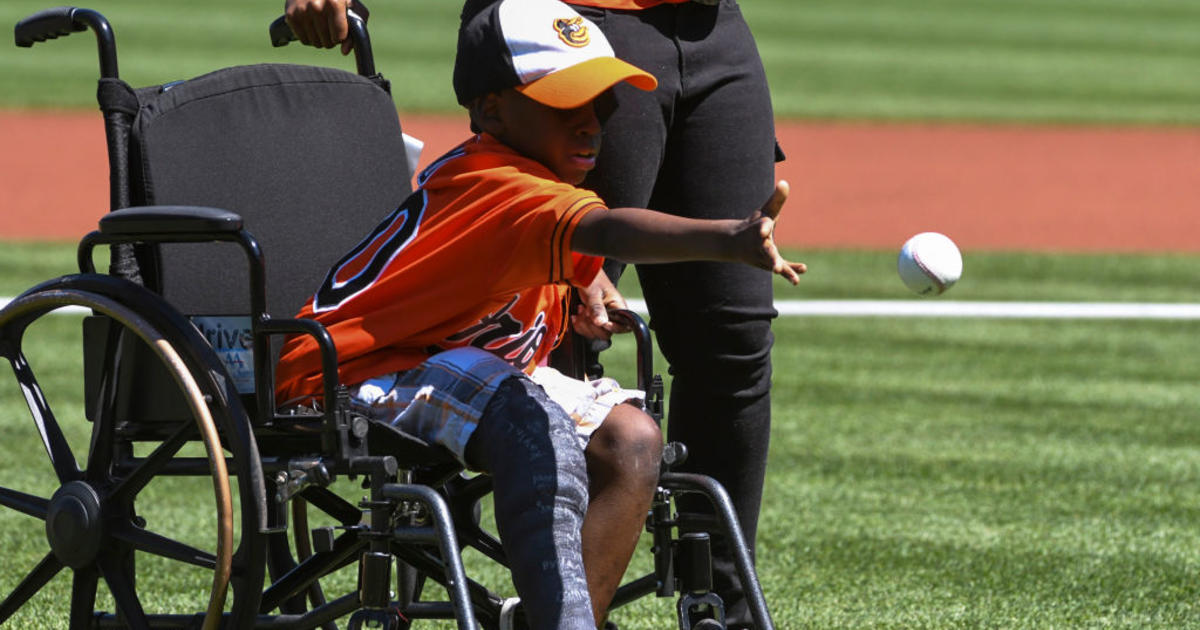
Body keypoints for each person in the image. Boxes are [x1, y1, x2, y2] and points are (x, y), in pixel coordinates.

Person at [277, 0, 804, 627]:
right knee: (533, 426)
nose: (591, 124)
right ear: (490, 108)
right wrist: (724, 238)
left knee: (632, 440)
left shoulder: (543, 181)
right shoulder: (499, 185)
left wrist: (589, 292)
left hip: (458, 368)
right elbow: (604, 228)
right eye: (565, 105)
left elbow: (571, 247)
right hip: (362, 371)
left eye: (603, 104)